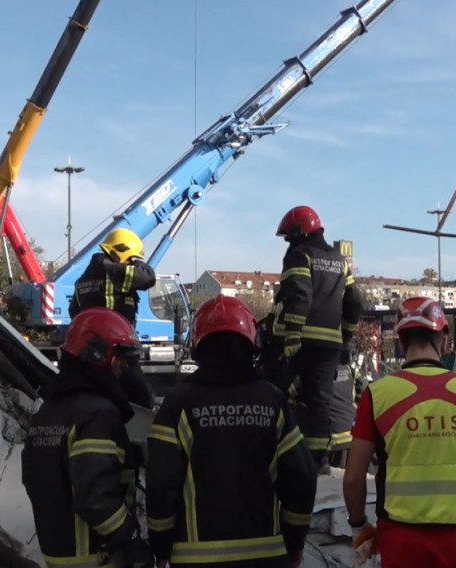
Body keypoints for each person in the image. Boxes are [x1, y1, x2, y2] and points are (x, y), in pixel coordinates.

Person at [145, 295, 317, 568]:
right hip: (266, 556)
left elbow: (160, 483)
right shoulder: (273, 400)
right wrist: (294, 543)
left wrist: (161, 546)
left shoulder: (178, 403)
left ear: (198, 345)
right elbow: (302, 478)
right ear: (252, 343)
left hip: (196, 559)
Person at [343, 296, 456, 568]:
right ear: (444, 340)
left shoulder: (377, 395)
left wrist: (358, 525)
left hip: (402, 543)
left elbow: (353, 479)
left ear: (401, 341)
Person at [22, 307, 153, 568]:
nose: (125, 364)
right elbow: (95, 497)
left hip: (58, 554)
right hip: (96, 555)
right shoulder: (97, 414)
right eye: (119, 355)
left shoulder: (48, 411)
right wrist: (129, 538)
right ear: (96, 352)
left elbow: (34, 479)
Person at [273, 205, 364, 469]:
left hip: (300, 344)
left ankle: (278, 455)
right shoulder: (339, 260)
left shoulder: (300, 255)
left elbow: (300, 295)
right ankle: (319, 461)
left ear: (299, 233)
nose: (288, 243)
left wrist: (293, 334)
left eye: (289, 237)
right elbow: (354, 302)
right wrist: (346, 335)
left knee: (278, 395)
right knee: (319, 403)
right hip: (330, 347)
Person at [69, 227, 157, 408]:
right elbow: (148, 277)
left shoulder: (82, 280)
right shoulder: (114, 272)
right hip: (116, 351)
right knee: (141, 397)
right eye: (130, 258)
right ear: (119, 252)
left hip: (89, 352)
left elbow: (74, 313)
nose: (131, 263)